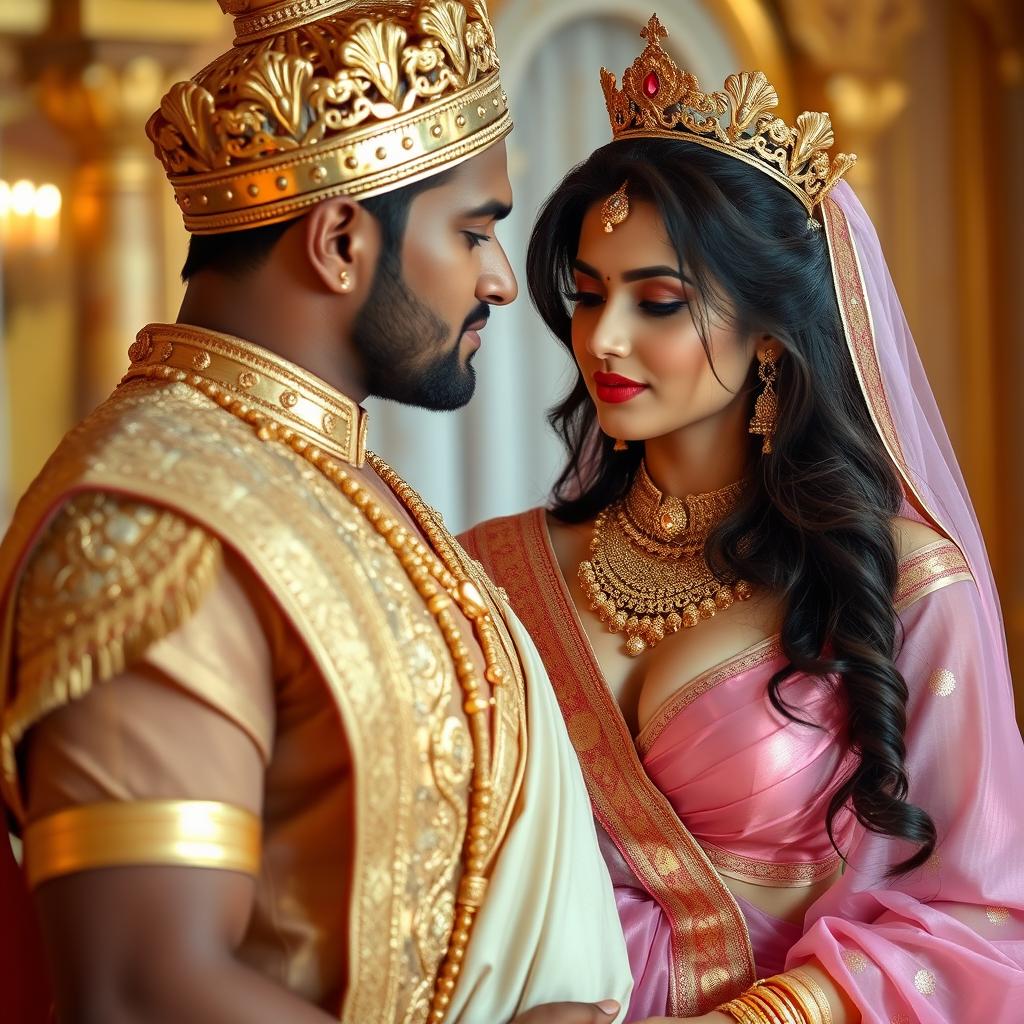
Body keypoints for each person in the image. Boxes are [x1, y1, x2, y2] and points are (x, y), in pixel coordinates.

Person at [0, 1, 634, 1021]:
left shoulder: (337, 485)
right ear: (341, 239)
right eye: (474, 231)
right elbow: (139, 990)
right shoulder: (155, 524)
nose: (502, 281)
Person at [461, 15, 1024, 1024]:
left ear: (767, 333)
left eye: (660, 301)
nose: (606, 338)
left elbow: (980, 918)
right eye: (588, 297)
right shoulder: (491, 572)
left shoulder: (897, 581)